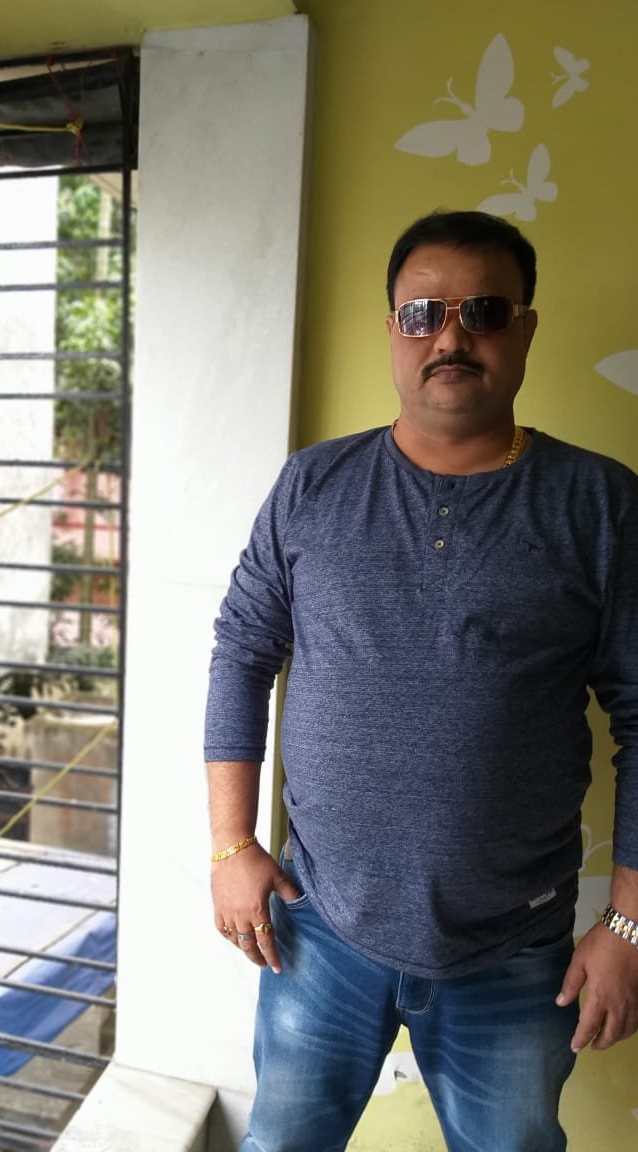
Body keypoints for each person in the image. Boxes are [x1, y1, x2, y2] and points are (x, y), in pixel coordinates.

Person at [204, 210, 638, 1152]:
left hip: (514, 950)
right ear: (392, 330)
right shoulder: (312, 486)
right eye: (422, 313)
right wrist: (230, 845)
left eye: (484, 311)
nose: (450, 337)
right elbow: (241, 651)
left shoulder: (601, 505)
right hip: (317, 927)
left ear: (525, 330)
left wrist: (629, 924)